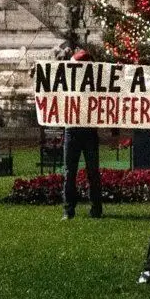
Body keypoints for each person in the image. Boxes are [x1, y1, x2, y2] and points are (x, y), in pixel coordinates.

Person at [62, 49, 103, 220]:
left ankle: (92, 209)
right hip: (73, 129)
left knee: (90, 172)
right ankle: (70, 209)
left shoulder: (96, 83)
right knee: (70, 173)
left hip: (86, 130)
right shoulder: (67, 80)